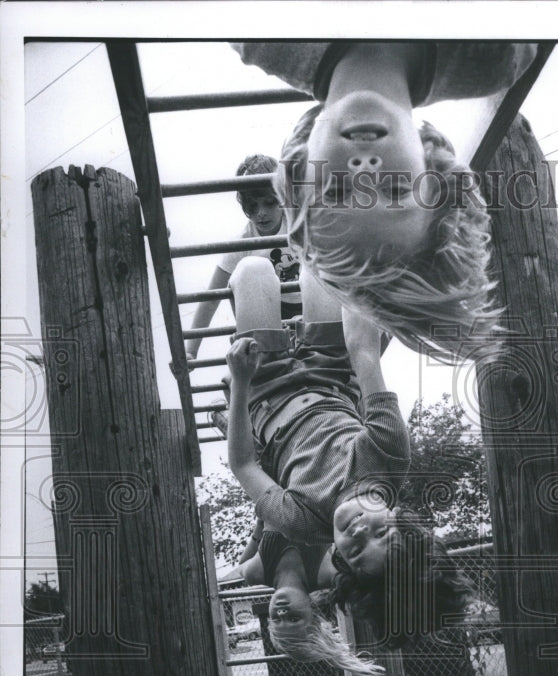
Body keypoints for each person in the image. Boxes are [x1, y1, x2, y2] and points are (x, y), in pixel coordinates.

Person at [230, 42, 540, 361]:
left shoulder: (262, 39)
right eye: (395, 189)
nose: (364, 168)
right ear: (433, 173)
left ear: (301, 169)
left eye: (336, 190)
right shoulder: (498, 57)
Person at [224, 256, 472, 642]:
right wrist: (358, 283)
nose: (358, 531)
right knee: (317, 266)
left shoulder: (301, 521)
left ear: (339, 560)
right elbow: (363, 352)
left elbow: (243, 464)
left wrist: (239, 383)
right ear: (401, 518)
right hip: (331, 371)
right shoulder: (389, 454)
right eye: (381, 534)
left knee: (253, 270)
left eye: (355, 551)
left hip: (266, 386)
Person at [184, 153, 302, 362]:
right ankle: (262, 358)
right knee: (245, 273)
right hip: (269, 310)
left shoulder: (299, 225)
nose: (261, 213)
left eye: (269, 203)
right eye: (252, 206)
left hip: (305, 305)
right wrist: (191, 350)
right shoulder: (243, 242)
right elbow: (211, 297)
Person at [231, 524, 384, 676]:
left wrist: (260, 524)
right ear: (312, 613)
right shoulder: (328, 574)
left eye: (276, 619)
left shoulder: (256, 573)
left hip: (269, 502)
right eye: (293, 618)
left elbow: (242, 565)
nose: (282, 612)